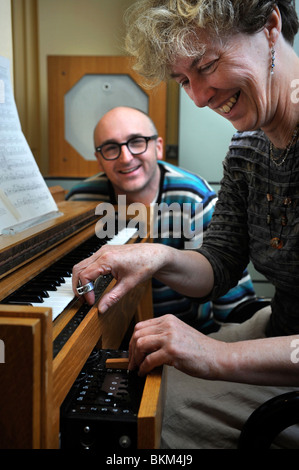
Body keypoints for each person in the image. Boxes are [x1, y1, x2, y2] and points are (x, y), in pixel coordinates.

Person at [72, 0, 299, 448]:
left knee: (145, 427)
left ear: (271, 25)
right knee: (135, 388)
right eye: (183, 81)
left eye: (207, 66)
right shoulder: (247, 148)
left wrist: (217, 355)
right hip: (281, 328)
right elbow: (218, 265)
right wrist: (157, 255)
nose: (197, 98)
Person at [67, 106, 256, 332]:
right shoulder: (81, 200)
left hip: (186, 333)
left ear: (158, 148)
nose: (126, 158)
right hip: (107, 334)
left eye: (137, 142)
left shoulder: (193, 197)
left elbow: (230, 302)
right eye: (110, 148)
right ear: (99, 160)